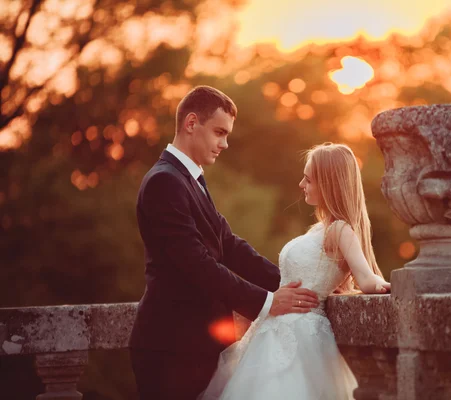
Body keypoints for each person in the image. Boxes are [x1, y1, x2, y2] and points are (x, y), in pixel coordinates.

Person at [129, 86, 320, 400]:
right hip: (170, 348)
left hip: (198, 347)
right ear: (191, 123)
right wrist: (268, 303)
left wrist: (295, 284)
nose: (225, 143)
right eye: (219, 132)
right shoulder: (164, 181)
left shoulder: (190, 178)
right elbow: (197, 264)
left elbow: (230, 246)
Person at [200, 142, 391, 400]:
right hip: (272, 334)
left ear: (329, 184)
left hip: (302, 337)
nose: (302, 184)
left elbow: (365, 276)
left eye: (308, 179)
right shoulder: (319, 229)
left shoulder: (341, 230)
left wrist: (384, 285)